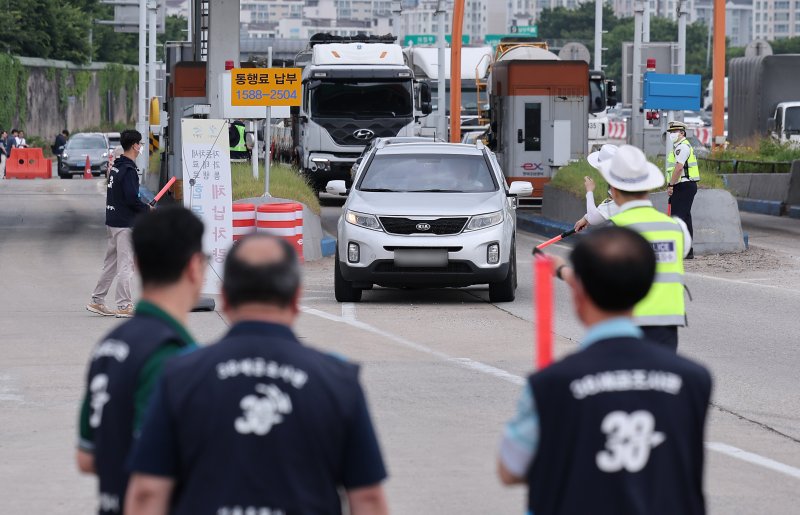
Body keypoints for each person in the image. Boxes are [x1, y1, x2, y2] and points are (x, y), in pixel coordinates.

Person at [125, 234, 389, 515]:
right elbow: (368, 498)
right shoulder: (338, 380)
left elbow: (148, 492)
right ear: (297, 297)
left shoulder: (179, 375)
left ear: (225, 298)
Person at [498, 226, 713, 515]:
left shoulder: (550, 384)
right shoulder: (694, 380)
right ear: (646, 289)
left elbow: (510, 469)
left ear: (578, 295)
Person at [76, 205, 206, 515]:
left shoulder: (109, 346)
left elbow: (87, 456)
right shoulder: (174, 356)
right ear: (194, 267)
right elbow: (150, 485)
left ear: (136, 264)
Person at [86, 130, 150, 317]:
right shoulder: (129, 170)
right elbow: (131, 199)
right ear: (135, 145)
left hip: (113, 221)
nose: (141, 147)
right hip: (124, 224)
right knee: (125, 265)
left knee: (111, 264)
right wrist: (146, 209)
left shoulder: (116, 166)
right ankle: (124, 305)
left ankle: (97, 300)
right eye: (140, 143)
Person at [666, 121, 700, 259]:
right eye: (670, 132)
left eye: (675, 132)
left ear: (682, 133)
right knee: (685, 218)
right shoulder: (678, 147)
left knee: (677, 218)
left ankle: (678, 249)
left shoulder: (683, 147)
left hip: (683, 186)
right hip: (684, 185)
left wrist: (671, 184)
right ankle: (688, 251)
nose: (672, 134)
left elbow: (679, 168)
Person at [574, 144, 619, 232]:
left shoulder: (621, 193)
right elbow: (607, 206)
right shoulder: (623, 185)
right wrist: (586, 218)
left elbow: (594, 218)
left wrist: (589, 191)